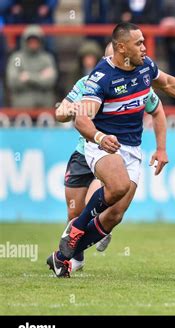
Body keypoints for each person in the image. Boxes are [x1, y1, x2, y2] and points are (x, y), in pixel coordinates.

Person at [47, 22, 175, 278]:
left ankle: (63, 256)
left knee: (115, 214)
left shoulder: (145, 67)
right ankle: (77, 228)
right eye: (139, 43)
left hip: (132, 149)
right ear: (121, 48)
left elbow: (167, 83)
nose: (145, 48)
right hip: (101, 145)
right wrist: (100, 137)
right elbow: (81, 119)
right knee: (115, 188)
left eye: (144, 42)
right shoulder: (100, 78)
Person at [50, 42, 167, 273]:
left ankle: (71, 253)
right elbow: (60, 114)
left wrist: (161, 147)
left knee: (107, 203)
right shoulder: (87, 83)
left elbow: (157, 109)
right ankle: (73, 256)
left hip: (110, 153)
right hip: (84, 152)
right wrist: (77, 109)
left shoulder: (138, 83)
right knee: (74, 212)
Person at [6, 25, 58, 107]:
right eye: (30, 40)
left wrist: (28, 77)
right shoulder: (17, 58)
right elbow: (12, 82)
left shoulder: (47, 58)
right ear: (24, 41)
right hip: (22, 106)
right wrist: (40, 77)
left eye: (36, 40)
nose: (33, 43)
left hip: (44, 106)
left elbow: (50, 82)